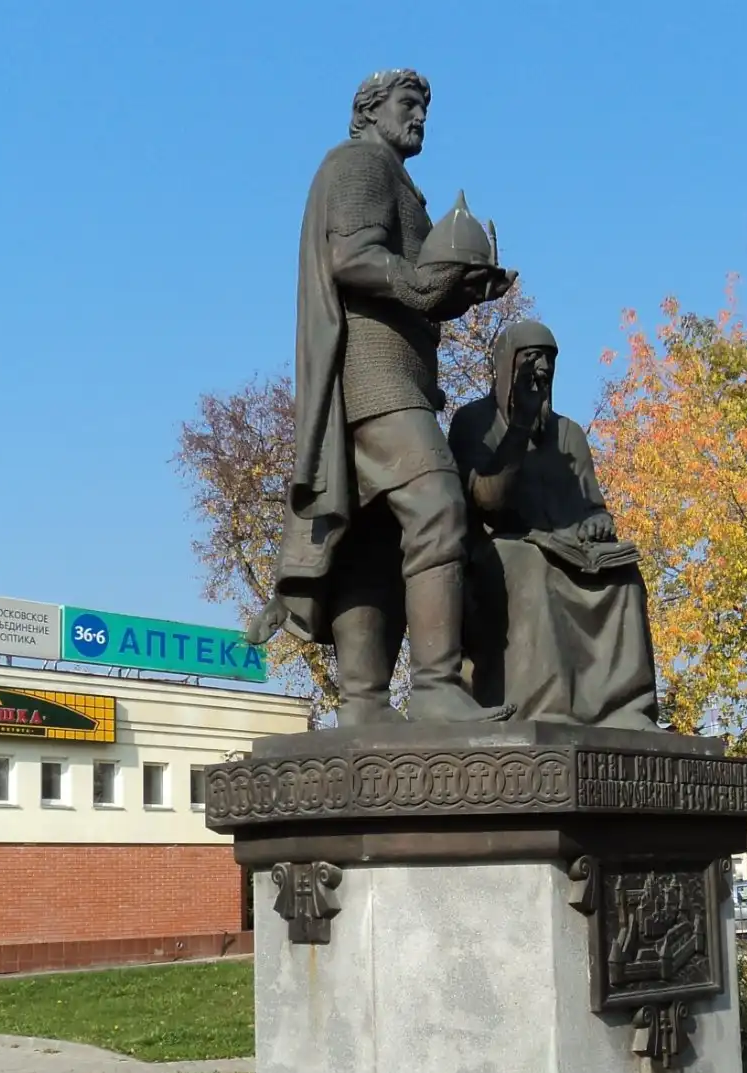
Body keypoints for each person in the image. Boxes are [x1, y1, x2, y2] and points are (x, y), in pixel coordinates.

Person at [247, 69, 516, 723]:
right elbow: (353, 258)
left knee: (367, 538)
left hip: (390, 375)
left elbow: (412, 284)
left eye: (426, 105)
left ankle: (364, 701)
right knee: (438, 508)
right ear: (370, 110)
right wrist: (425, 284)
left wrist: (456, 289)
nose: (420, 114)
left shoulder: (399, 181)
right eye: (408, 102)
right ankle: (434, 687)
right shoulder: (361, 163)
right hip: (376, 377)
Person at [447, 320, 659, 728]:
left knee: (625, 579)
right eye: (531, 359)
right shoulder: (473, 422)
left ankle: (626, 709)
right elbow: (486, 502)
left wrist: (597, 523)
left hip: (568, 548)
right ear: (506, 365)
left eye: (548, 361)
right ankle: (543, 709)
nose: (541, 370)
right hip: (497, 549)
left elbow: (594, 506)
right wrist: (520, 426)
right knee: (531, 569)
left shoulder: (569, 434)